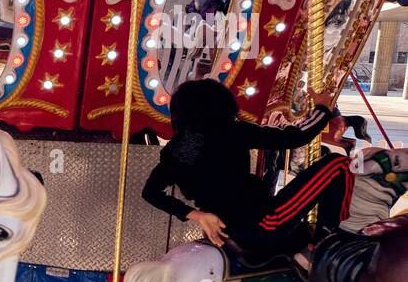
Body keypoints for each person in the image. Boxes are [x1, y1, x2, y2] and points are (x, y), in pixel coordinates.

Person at [141, 79, 347, 266]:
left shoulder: (180, 147)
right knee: (338, 164)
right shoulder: (232, 130)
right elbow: (294, 137)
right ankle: (325, 240)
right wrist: (322, 108)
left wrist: (198, 216)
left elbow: (150, 192)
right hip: (264, 223)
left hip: (226, 231)